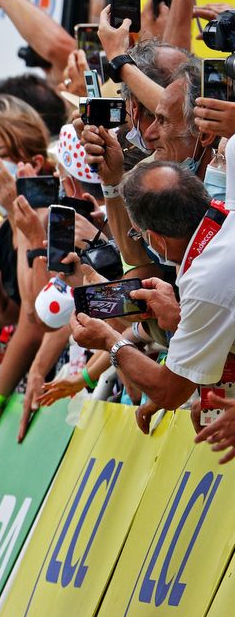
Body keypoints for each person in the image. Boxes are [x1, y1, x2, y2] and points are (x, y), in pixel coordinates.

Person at [71, 162, 235, 425]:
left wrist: (109, 340)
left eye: (136, 234)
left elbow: (169, 392)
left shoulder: (204, 282)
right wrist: (180, 317)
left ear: (157, 240)